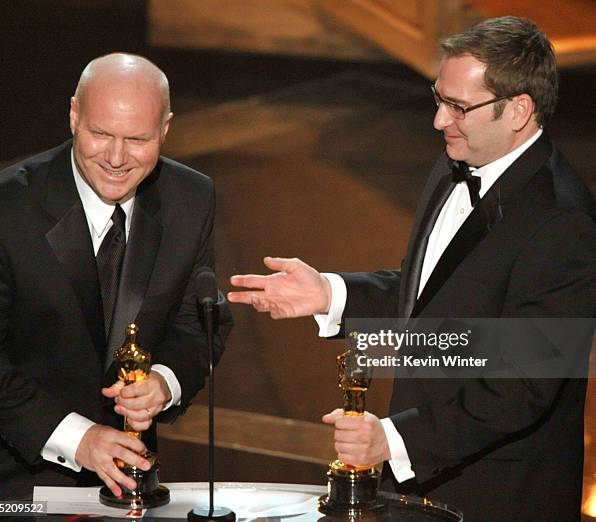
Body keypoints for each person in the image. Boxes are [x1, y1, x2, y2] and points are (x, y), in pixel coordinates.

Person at [228, 17, 596, 521]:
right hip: (422, 482)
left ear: (519, 110)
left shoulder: (564, 223)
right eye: (439, 99)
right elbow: (429, 296)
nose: (439, 121)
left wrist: (392, 438)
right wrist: (330, 294)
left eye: (459, 107)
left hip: (499, 496)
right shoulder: (453, 165)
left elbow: (523, 386)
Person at [0, 53, 232, 499]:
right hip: (11, 480)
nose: (117, 158)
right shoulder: (1, 211)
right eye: (100, 134)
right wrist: (78, 438)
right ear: (74, 116)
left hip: (129, 481)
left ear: (165, 129)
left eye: (137, 139)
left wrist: (164, 382)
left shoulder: (191, 199)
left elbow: (199, 324)